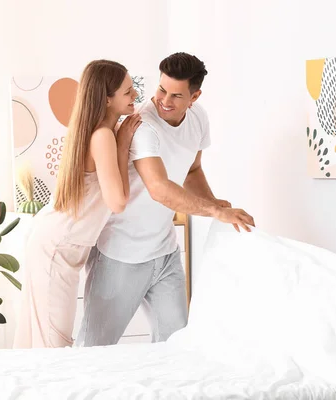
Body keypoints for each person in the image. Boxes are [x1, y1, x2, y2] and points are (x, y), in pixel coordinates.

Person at [75, 52, 255, 347]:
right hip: (121, 256)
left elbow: (192, 169)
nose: (164, 101)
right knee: (93, 348)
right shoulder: (143, 126)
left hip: (165, 254)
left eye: (176, 95)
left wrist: (215, 203)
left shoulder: (198, 118)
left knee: (178, 347)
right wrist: (213, 211)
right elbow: (158, 188)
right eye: (161, 89)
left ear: (194, 96)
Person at [13, 59, 142, 348]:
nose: (135, 96)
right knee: (53, 341)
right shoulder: (103, 136)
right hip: (56, 247)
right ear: (107, 99)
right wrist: (122, 145)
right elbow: (117, 201)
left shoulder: (95, 131)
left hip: (54, 239)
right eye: (128, 91)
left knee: (43, 337)